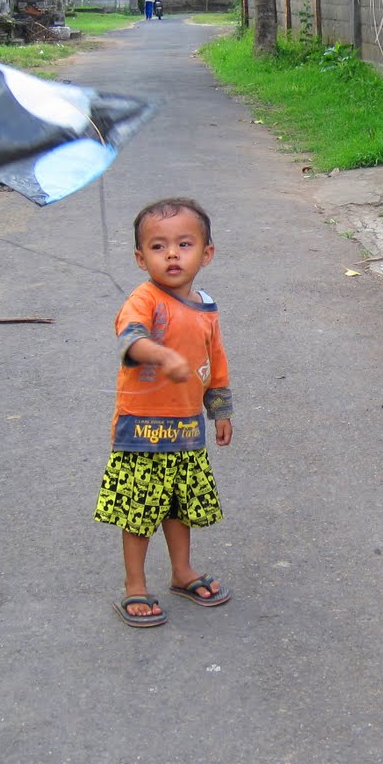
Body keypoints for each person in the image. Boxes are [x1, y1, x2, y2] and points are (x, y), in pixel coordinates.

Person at [95, 197, 234, 627]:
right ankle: (135, 585)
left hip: (187, 431)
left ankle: (182, 572)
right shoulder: (144, 300)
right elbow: (130, 339)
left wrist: (220, 411)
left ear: (206, 253)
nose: (172, 254)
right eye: (158, 246)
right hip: (142, 432)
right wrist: (161, 355)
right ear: (141, 258)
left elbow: (216, 363)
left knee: (178, 506)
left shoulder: (206, 307)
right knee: (138, 513)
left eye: (184, 244)